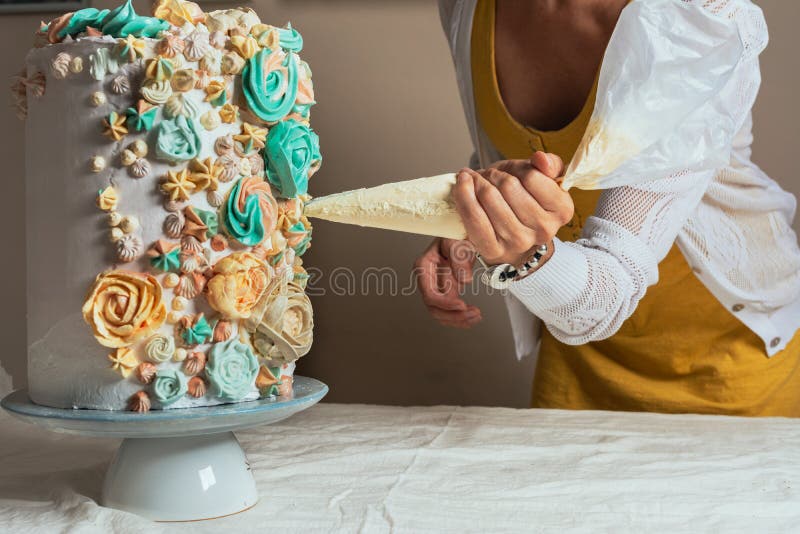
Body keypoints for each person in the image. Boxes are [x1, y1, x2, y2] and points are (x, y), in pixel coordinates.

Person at [416, 0, 800, 416]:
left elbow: (608, 289)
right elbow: (519, 156)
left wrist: (519, 255)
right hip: (576, 346)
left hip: (730, 356)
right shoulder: (467, 8)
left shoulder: (704, 16)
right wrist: (470, 225)